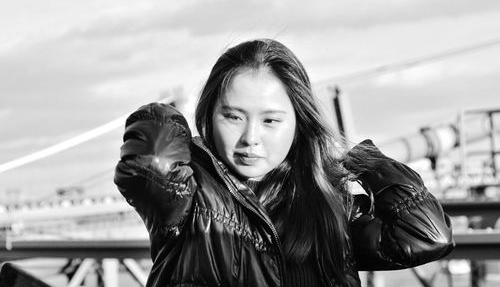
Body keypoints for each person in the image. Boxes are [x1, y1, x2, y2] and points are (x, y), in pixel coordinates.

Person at [114, 39, 454, 287]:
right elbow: (151, 163)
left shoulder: (326, 205)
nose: (251, 138)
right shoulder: (190, 196)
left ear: (299, 124)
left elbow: (427, 236)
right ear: (209, 115)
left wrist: (362, 159)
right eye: (232, 117)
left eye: (271, 121)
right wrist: (166, 115)